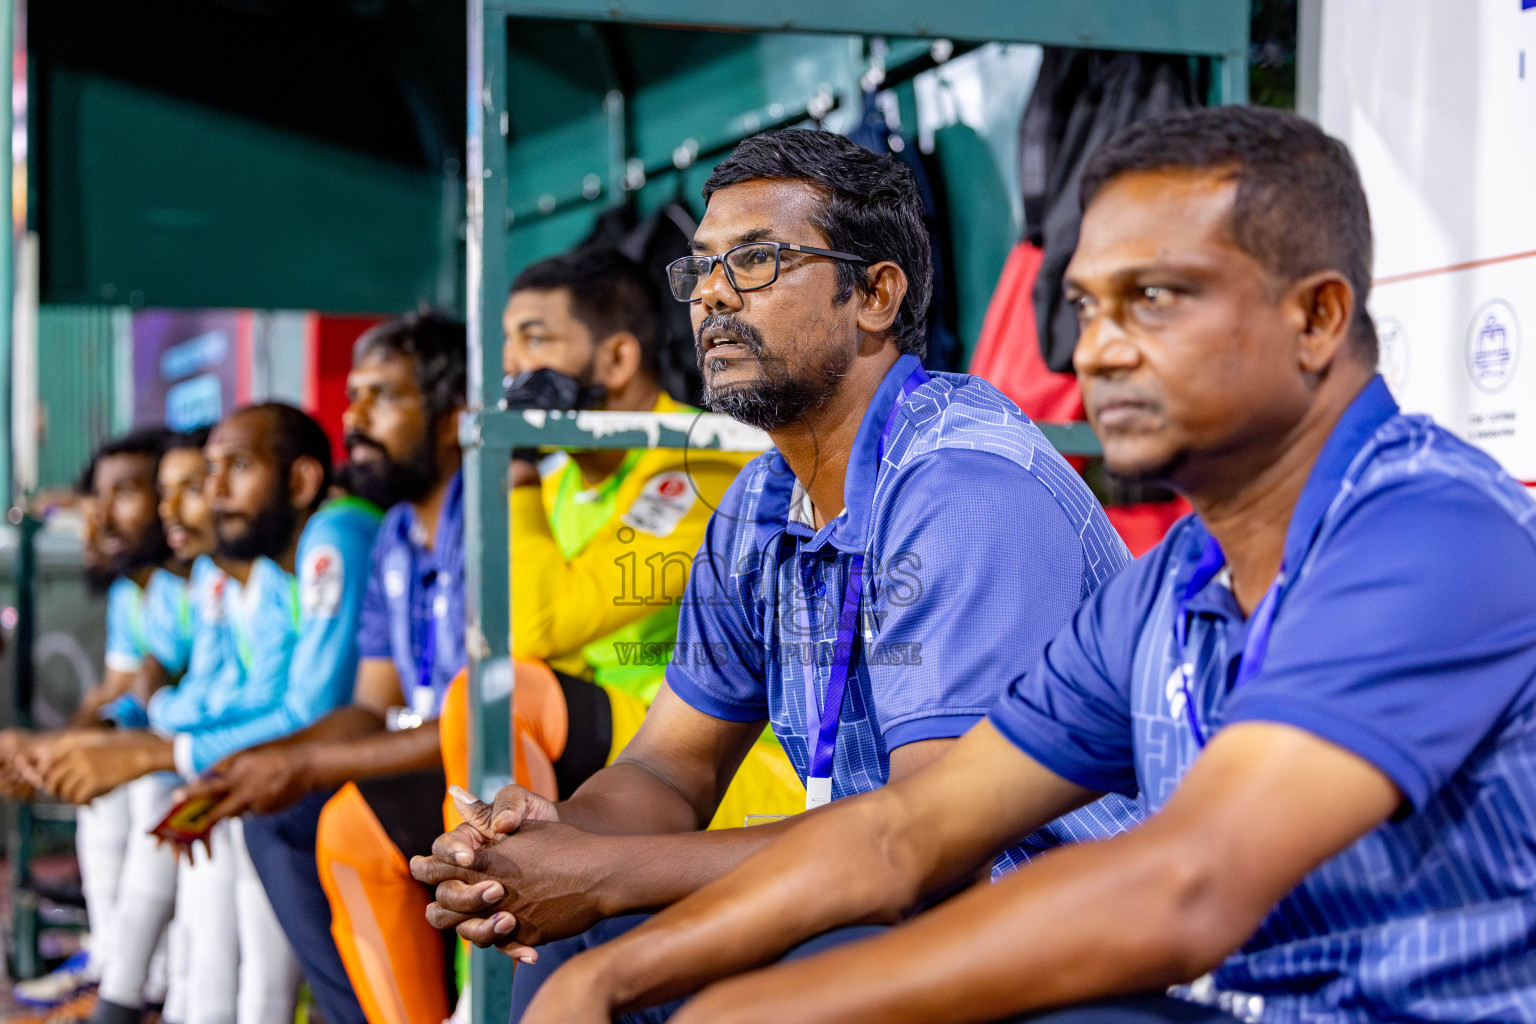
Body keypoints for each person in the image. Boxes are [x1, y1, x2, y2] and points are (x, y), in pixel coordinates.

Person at [503, 105, 1536, 1024]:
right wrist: (615, 970)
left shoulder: (1430, 530)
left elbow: (1185, 887)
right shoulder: (1176, 577)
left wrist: (751, 1001)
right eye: (1086, 308)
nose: (1097, 352)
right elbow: (905, 832)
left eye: (1156, 298)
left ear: (1315, 317)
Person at [411, 127, 1138, 1019]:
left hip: (1050, 930)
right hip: (883, 894)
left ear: (875, 294)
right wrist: (546, 844)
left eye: (757, 260)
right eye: (702, 268)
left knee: (676, 944)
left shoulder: (964, 486)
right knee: (584, 939)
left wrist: (603, 874)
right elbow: (669, 769)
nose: (711, 293)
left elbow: (931, 847)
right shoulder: (761, 503)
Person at [175, 313, 468, 1024]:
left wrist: (300, 766)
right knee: (268, 806)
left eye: (383, 397)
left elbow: (481, 723)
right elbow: (369, 705)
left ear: (456, 418)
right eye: (354, 396)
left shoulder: (488, 517)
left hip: (510, 772)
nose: (354, 416)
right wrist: (264, 762)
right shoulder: (397, 529)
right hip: (438, 761)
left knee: (310, 808)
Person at [40, 403, 369, 1024]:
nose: (204, 500)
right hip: (323, 759)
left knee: (230, 807)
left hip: (380, 764)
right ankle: (137, 990)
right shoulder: (251, 576)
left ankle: (132, 993)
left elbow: (306, 707)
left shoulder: (333, 537)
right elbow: (222, 693)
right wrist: (142, 728)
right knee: (211, 808)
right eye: (198, 481)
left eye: (228, 472)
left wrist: (155, 739)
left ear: (299, 483)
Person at [500, 247, 793, 819]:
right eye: (508, 343)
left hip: (724, 767)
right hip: (621, 756)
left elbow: (536, 630)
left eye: (534, 341)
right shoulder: (558, 485)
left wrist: (513, 464)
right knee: (355, 826)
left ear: (616, 358)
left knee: (504, 696)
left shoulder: (699, 460)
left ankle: (510, 888)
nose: (511, 367)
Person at [2, 428, 176, 1016]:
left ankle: (131, 990)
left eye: (125, 493)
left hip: (220, 772)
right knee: (105, 783)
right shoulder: (136, 590)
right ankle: (115, 969)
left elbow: (162, 705)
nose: (99, 516)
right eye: (95, 498)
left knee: (149, 784)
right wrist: (54, 749)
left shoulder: (193, 584)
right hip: (187, 760)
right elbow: (117, 694)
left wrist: (79, 745)